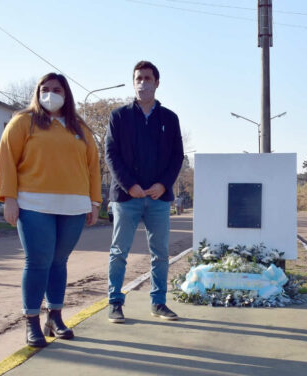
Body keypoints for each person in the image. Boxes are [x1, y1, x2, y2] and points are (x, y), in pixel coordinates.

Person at [0, 73, 102, 347]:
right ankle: (32, 321)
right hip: (33, 204)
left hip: (74, 206)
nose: (50, 94)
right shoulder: (23, 122)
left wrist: (94, 202)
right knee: (38, 262)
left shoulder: (80, 128)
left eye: (56, 89)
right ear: (37, 93)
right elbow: (6, 158)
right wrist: (9, 197)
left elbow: (93, 166)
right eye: (45, 89)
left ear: (66, 94)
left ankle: (54, 317)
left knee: (59, 262)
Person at [105, 60, 184, 323]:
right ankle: (115, 302)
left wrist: (163, 185)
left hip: (159, 199)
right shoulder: (119, 117)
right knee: (119, 252)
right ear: (133, 82)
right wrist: (130, 185)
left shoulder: (169, 119)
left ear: (157, 83)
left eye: (147, 78)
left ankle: (158, 303)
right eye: (138, 78)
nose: (143, 83)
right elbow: (111, 154)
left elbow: (177, 157)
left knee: (160, 253)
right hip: (127, 198)